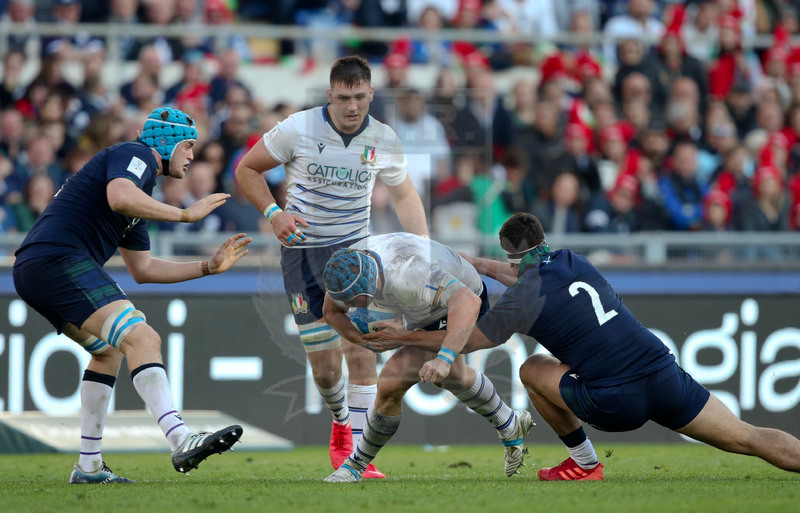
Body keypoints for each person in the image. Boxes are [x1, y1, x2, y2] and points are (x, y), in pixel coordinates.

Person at [362, 212, 800, 480]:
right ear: (542, 241)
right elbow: (524, 274)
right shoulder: (573, 260)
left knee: (532, 369)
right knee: (747, 437)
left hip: (615, 398)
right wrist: (473, 264)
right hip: (662, 375)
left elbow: (466, 340)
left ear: (510, 253)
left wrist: (401, 337)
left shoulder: (521, 301)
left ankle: (585, 464)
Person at [12, 107, 252, 484]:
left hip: (38, 266)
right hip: (57, 259)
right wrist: (185, 215)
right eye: (188, 146)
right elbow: (119, 197)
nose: (191, 157)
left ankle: (89, 467)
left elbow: (143, 269)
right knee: (142, 337)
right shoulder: (137, 155)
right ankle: (180, 436)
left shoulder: (141, 190)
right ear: (168, 141)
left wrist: (207, 266)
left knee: (107, 352)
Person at [234, 55, 428, 479]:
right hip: (302, 254)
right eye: (343, 98)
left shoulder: (383, 138)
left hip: (354, 255)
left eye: (360, 97)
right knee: (324, 368)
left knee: (361, 349)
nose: (352, 106)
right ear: (329, 95)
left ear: (372, 94)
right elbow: (247, 169)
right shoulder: (297, 128)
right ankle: (341, 421)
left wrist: (424, 249)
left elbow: (405, 196)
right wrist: (273, 214)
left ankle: (356, 457)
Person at [320, 233, 533, 482]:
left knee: (392, 381)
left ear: (372, 282)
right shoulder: (345, 270)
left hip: (460, 298)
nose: (354, 307)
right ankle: (509, 421)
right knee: (453, 377)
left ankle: (355, 466)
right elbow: (331, 311)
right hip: (419, 305)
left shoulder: (409, 272)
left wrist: (443, 357)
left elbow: (467, 301)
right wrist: (363, 341)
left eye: (357, 302)